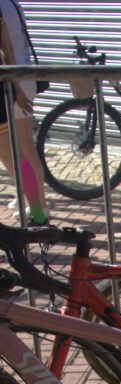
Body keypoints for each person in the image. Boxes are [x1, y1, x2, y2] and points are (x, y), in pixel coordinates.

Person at [0, 0, 48, 222]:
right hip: (17, 75)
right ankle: (34, 205)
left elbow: (8, 47)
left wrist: (17, 86)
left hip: (12, 79)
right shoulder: (12, 3)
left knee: (20, 151)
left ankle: (38, 208)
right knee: (18, 152)